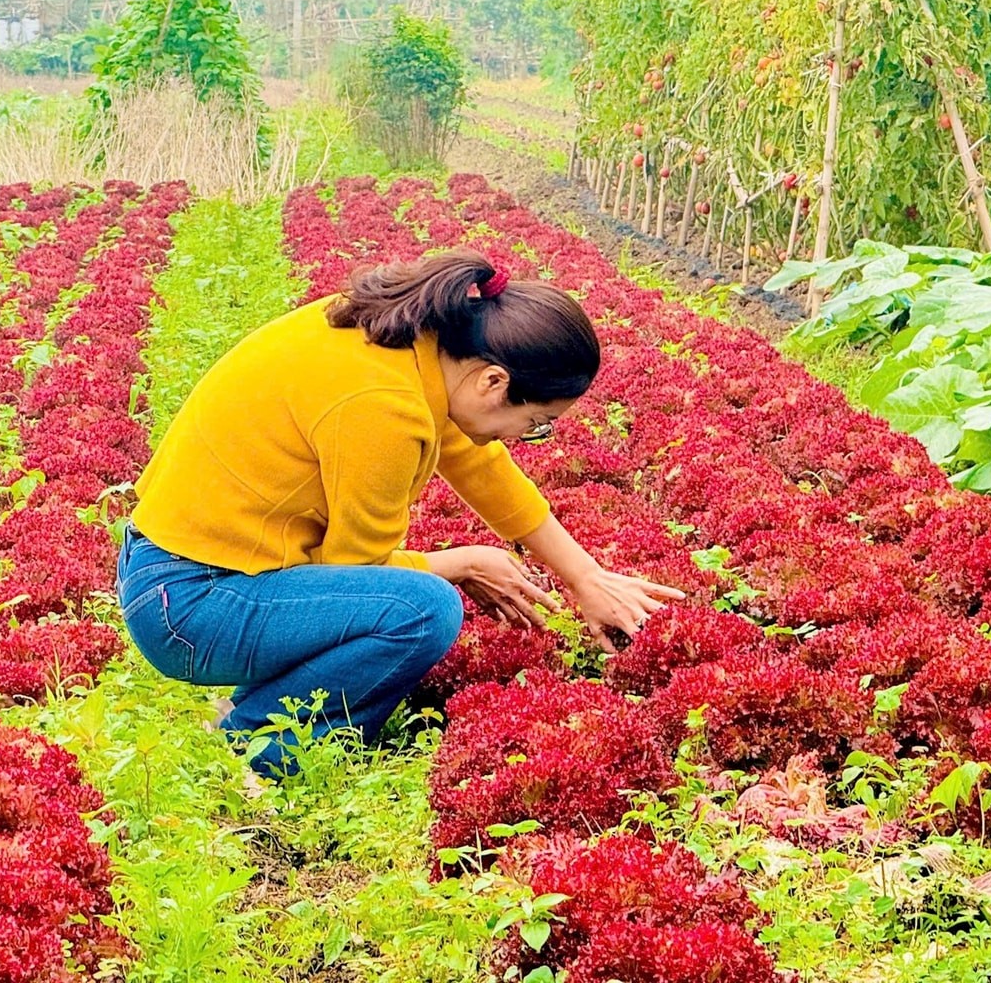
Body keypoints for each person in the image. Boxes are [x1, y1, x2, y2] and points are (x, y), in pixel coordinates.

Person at [119, 249, 685, 776]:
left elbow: (478, 465)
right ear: (494, 381)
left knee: (410, 602)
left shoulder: (415, 348)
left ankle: (252, 713)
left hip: (179, 574)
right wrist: (460, 563)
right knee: (422, 611)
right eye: (536, 421)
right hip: (191, 602)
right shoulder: (382, 408)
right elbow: (356, 568)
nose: (525, 436)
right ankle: (259, 748)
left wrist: (585, 576)